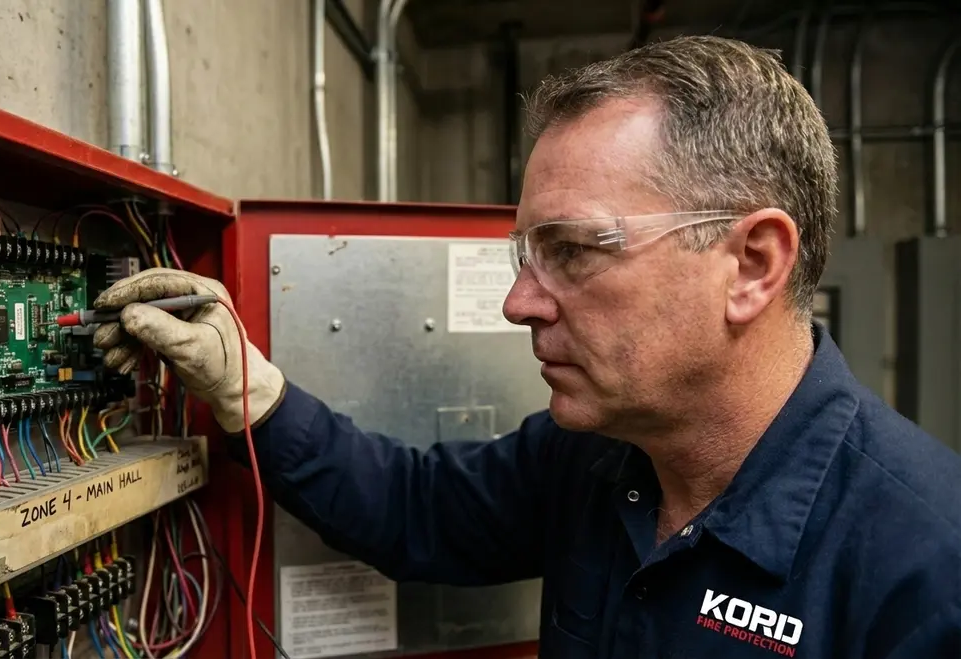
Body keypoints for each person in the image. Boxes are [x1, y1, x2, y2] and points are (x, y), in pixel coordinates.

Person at [92, 35, 961, 658]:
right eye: (524, 256)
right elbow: (413, 509)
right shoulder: (594, 455)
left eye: (574, 251)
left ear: (751, 263)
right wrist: (253, 395)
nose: (516, 302)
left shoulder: (926, 566)